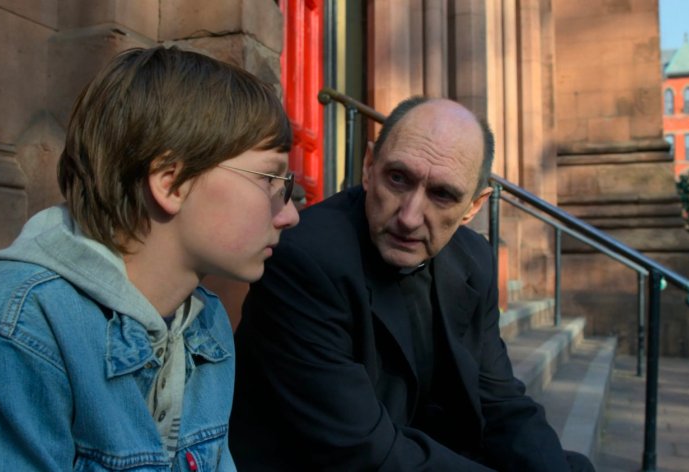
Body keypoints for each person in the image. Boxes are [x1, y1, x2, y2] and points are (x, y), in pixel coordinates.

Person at [0, 46, 298, 470]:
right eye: (270, 178)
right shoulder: (16, 325)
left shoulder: (205, 326)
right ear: (171, 183)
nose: (290, 213)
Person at [229, 97, 594, 471]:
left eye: (442, 194)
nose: (409, 216)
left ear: (474, 206)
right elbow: (362, 450)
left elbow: (500, 402)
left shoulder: (474, 260)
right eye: (398, 178)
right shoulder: (305, 259)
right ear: (369, 167)